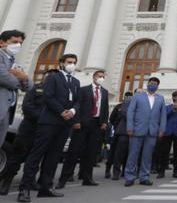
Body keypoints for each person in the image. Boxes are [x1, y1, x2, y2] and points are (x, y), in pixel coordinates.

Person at [18, 54, 81, 202]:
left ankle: (46, 186)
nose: (72, 65)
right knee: (37, 155)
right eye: (69, 62)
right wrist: (61, 111)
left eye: (74, 62)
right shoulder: (53, 78)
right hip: (49, 122)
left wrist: (72, 111)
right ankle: (25, 188)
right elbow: (48, 97)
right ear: (61, 64)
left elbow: (78, 101)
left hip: (65, 124)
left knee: (54, 156)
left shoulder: (76, 82)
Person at [0, 69, 57, 196]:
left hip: (43, 131)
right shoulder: (34, 88)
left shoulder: (55, 93)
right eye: (48, 77)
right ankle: (6, 183)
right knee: (17, 156)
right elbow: (27, 107)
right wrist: (43, 119)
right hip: (29, 128)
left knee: (35, 159)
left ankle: (29, 182)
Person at [57, 70, 109, 188]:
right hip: (82, 124)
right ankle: (64, 178)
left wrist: (104, 122)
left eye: (103, 77)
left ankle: (87, 178)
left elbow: (105, 108)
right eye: (99, 76)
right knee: (74, 151)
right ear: (94, 77)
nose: (101, 78)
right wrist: (76, 121)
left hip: (96, 124)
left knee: (91, 153)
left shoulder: (104, 92)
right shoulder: (84, 90)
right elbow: (77, 105)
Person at [124, 77, 166, 187]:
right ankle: (129, 177)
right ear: (148, 84)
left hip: (152, 131)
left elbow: (163, 116)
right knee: (133, 154)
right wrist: (130, 127)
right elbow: (131, 112)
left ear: (157, 86)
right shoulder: (138, 96)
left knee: (147, 156)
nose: (153, 85)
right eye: (151, 83)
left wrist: (161, 129)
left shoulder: (160, 99)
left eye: (155, 83)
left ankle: (144, 177)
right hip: (137, 129)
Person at [0, 30, 33, 148]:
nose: (18, 45)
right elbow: (4, 77)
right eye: (14, 42)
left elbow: (29, 86)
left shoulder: (15, 62)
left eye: (20, 43)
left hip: (7, 111)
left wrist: (23, 77)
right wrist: (22, 79)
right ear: (2, 43)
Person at [158, 91, 177, 179]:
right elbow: (164, 116)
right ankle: (161, 171)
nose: (176, 98)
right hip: (167, 132)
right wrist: (172, 110)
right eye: (175, 96)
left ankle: (176, 171)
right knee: (164, 152)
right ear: (172, 97)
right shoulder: (167, 107)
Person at [110, 91, 133, 180]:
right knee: (119, 154)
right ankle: (116, 172)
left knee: (129, 153)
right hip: (123, 132)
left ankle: (125, 171)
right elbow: (113, 118)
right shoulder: (124, 105)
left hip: (134, 132)